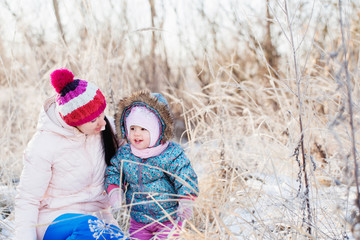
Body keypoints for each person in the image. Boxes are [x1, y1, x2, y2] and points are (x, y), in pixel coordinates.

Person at [14, 68, 126, 240]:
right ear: (75, 121)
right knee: (88, 227)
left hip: (100, 221)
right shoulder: (44, 144)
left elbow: (140, 149)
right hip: (54, 221)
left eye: (102, 112)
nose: (102, 122)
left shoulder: (106, 128)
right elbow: (27, 200)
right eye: (93, 120)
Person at [105, 90, 199, 240]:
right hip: (138, 219)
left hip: (169, 218)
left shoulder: (170, 153)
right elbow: (115, 171)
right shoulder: (126, 153)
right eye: (133, 128)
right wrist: (115, 191)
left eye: (143, 129)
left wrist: (186, 200)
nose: (136, 134)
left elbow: (185, 175)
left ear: (156, 131)